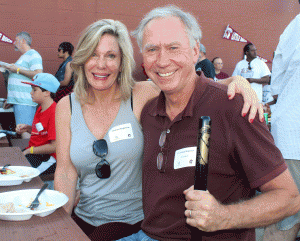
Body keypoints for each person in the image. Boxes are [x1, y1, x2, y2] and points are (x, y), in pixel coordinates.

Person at [53, 18, 263, 241]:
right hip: (85, 223)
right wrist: (59, 227)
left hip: (137, 226)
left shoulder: (142, 94)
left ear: (122, 61)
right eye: (93, 54)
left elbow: (193, 87)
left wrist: (238, 82)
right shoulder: (67, 106)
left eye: (111, 55)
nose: (101, 64)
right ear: (83, 58)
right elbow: (66, 172)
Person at [119, 5, 300, 241]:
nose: (162, 61)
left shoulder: (233, 108)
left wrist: (223, 216)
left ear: (195, 51)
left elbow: (289, 198)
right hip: (146, 234)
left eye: (173, 47)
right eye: (152, 49)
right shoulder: (149, 111)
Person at [260, 13, 300, 241]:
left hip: (291, 134)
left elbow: (277, 84)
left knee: (285, 223)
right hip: (292, 135)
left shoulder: (293, 28)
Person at [0, 32, 43, 139]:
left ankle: (27, 154)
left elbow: (38, 74)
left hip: (25, 101)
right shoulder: (24, 57)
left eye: (16, 40)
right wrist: (11, 100)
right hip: (19, 101)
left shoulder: (33, 55)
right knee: (22, 130)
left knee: (25, 132)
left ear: (23, 41)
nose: (14, 43)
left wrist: (17, 69)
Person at [16, 73, 59, 177]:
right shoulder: (41, 108)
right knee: (11, 162)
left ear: (47, 92)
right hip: (34, 152)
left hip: (48, 158)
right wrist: (28, 129)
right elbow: (42, 132)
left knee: (20, 175)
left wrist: (29, 151)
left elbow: (55, 146)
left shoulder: (54, 112)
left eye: (34, 90)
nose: (31, 93)